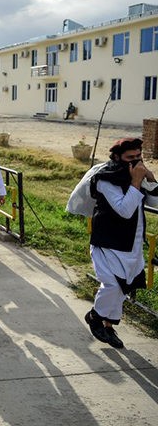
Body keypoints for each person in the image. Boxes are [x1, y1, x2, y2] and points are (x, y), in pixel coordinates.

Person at [85, 138, 158, 349]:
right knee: (112, 284)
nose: (136, 162)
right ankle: (95, 317)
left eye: (138, 157)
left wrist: (151, 182)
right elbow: (124, 210)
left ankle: (108, 325)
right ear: (117, 157)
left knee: (123, 288)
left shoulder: (137, 175)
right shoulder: (105, 179)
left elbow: (155, 202)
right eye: (130, 158)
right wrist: (136, 182)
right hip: (109, 242)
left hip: (132, 243)